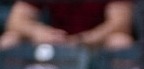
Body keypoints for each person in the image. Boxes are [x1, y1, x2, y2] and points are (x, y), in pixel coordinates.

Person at [0, 0, 133, 49]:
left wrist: (83, 39)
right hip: (54, 42)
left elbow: (120, 23)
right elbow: (15, 21)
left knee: (120, 41)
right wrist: (38, 32)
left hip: (94, 44)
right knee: (9, 39)